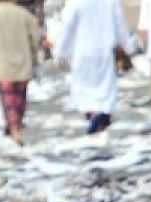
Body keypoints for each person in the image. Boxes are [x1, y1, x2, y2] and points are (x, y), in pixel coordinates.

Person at [54, 0, 131, 135]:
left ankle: (93, 116)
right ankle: (102, 119)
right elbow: (119, 24)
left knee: (85, 90)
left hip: (82, 51)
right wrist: (128, 46)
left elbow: (67, 27)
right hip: (105, 52)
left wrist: (60, 52)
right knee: (105, 90)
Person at [0, 0, 39, 145]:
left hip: (1, 65)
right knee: (20, 100)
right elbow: (35, 39)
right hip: (23, 64)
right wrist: (34, 59)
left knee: (8, 101)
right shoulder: (25, 15)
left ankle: (13, 130)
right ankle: (15, 128)